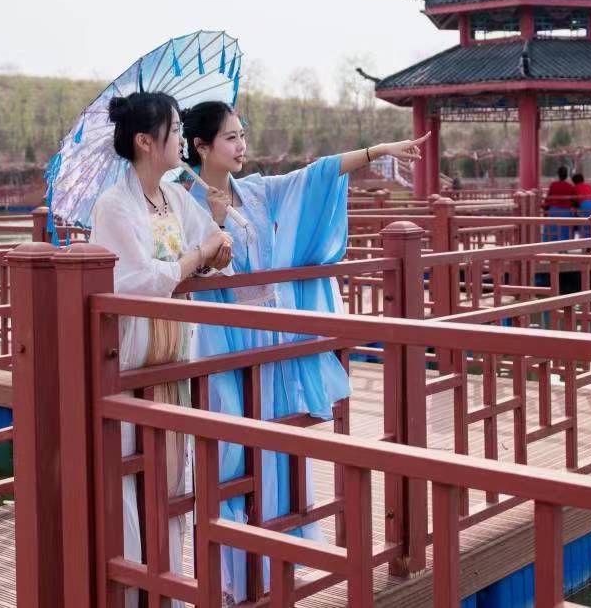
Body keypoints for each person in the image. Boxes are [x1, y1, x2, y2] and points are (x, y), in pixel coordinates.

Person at [179, 100, 427, 602]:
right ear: (201, 146)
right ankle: (234, 575)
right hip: (221, 336)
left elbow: (314, 176)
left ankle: (277, 558)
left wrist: (377, 150)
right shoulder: (183, 203)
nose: (241, 145)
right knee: (230, 449)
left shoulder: (256, 191)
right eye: (230, 137)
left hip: (269, 336)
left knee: (277, 440)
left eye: (242, 135)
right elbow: (181, 272)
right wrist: (211, 226)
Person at [87, 92, 234, 608]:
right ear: (146, 142)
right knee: (131, 476)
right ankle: (133, 594)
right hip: (132, 362)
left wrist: (218, 244)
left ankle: (167, 591)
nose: (181, 137)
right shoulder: (114, 206)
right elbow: (136, 279)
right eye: (174, 128)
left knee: (172, 477)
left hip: (173, 358)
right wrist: (195, 256)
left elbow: (209, 242)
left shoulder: (175, 196)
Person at [541, 166, 578, 241]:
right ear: (566, 175)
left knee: (551, 233)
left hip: (554, 212)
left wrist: (545, 208)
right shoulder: (570, 186)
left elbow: (548, 199)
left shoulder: (553, 185)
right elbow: (574, 201)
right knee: (566, 234)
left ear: (558, 174)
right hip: (566, 213)